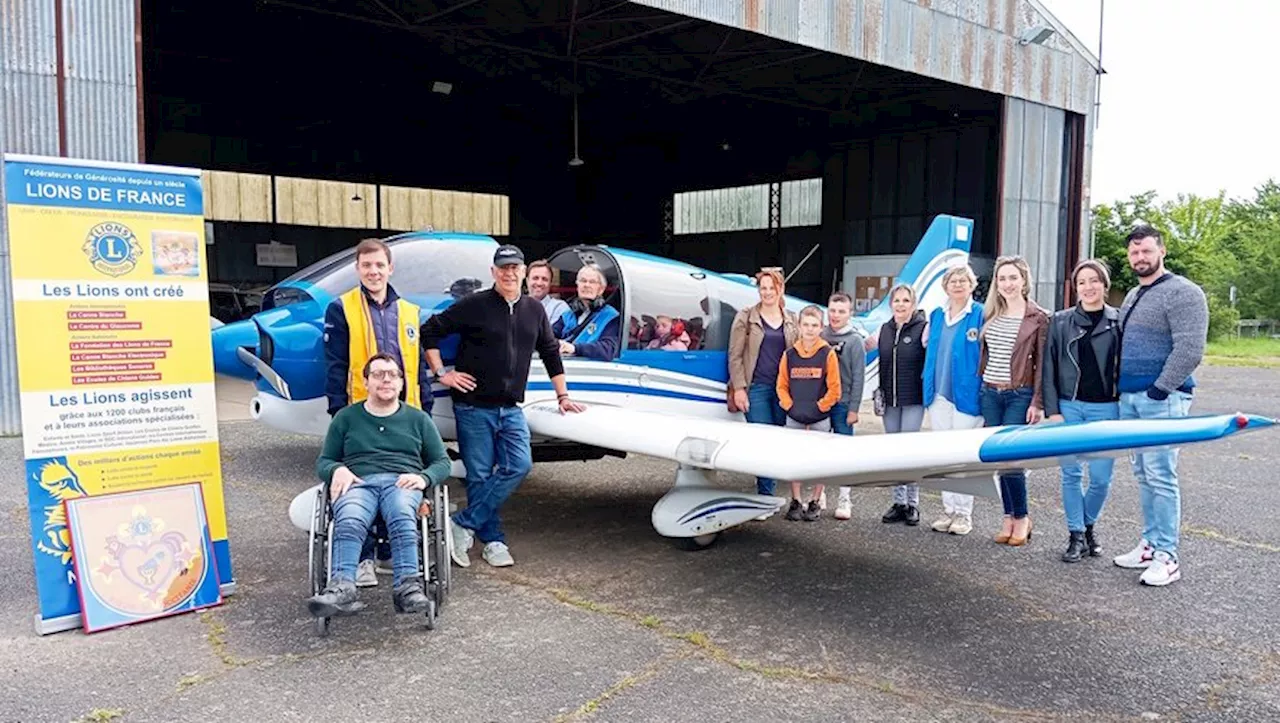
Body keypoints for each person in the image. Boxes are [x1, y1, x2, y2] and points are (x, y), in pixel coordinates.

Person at [422, 244, 585, 569]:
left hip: (511, 407)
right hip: (472, 407)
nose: (510, 273)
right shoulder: (474, 305)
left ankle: (462, 524)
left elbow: (551, 352)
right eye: (503, 268)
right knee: (480, 475)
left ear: (523, 272)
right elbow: (429, 332)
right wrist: (443, 374)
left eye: (515, 267)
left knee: (520, 465)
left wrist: (563, 397)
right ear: (494, 272)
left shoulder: (534, 311)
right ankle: (494, 541)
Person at [306, 353, 453, 619]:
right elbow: (325, 461)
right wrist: (337, 469)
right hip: (358, 482)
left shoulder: (418, 419)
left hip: (402, 481)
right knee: (348, 519)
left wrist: (424, 478)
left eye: (392, 375)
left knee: (401, 516)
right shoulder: (346, 417)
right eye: (377, 375)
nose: (386, 380)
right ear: (366, 382)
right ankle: (341, 588)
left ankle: (408, 588)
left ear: (401, 383)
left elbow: (442, 461)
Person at [322, 237, 432, 588]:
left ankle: (390, 551)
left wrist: (424, 409)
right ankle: (364, 558)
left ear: (390, 268)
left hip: (405, 412)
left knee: (398, 482)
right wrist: (340, 414)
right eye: (366, 265)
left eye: (379, 265)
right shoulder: (341, 309)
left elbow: (417, 366)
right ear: (358, 269)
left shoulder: (411, 312)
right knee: (360, 482)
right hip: (360, 413)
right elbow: (336, 365)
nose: (373, 271)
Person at [1111, 225, 1208, 587]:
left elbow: (1190, 349)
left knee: (1162, 476)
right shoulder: (1136, 293)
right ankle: (1151, 545)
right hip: (1131, 399)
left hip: (1162, 400)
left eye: (1146, 251)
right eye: (1134, 253)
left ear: (1161, 251)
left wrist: (1160, 389)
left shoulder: (1183, 293)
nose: (1140, 258)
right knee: (1143, 475)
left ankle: (1168, 557)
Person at [1042, 259, 1122, 563]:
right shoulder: (1060, 322)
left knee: (1101, 479)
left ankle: (1088, 526)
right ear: (1075, 288)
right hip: (1069, 407)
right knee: (1071, 474)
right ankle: (1076, 535)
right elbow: (1048, 367)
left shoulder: (1118, 321)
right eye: (1082, 282)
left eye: (1094, 281)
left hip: (1107, 408)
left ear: (1104, 284)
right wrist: (1053, 410)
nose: (1088, 288)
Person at [978, 256, 1050, 547]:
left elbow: (1044, 364)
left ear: (1024, 280)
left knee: (1012, 459)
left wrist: (1038, 402)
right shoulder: (990, 314)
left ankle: (1022, 518)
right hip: (989, 394)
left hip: (1019, 394)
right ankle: (1007, 517)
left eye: (1012, 278)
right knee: (998, 459)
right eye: (1002, 278)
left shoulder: (1038, 317)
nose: (1007, 284)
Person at [922, 264, 985, 536]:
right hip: (938, 393)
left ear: (972, 285)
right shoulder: (937, 315)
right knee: (942, 456)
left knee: (963, 456)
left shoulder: (980, 314)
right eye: (953, 281)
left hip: (966, 393)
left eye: (963, 280)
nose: (958, 285)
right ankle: (948, 510)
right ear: (945, 286)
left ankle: (964, 514)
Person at [727, 268, 799, 496]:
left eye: (772, 288)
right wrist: (739, 388)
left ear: (780, 290)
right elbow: (735, 355)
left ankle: (770, 490)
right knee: (762, 442)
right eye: (763, 288)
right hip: (756, 388)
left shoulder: (792, 320)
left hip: (783, 390)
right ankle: (765, 496)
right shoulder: (746, 316)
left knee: (778, 441)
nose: (767, 293)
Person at [870, 283, 928, 526]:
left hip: (913, 399)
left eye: (906, 301)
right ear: (891, 304)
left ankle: (913, 503)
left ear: (913, 304)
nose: (901, 305)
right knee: (893, 454)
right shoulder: (884, 329)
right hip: (890, 400)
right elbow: (862, 345)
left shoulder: (923, 329)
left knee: (910, 453)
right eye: (897, 301)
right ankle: (898, 502)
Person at [777, 306, 842, 522]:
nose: (810, 329)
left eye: (815, 325)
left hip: (819, 416)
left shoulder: (827, 354)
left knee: (820, 460)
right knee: (794, 458)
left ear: (821, 327)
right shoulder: (789, 355)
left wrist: (821, 407)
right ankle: (796, 500)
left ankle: (815, 501)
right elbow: (781, 385)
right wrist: (789, 406)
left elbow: (835, 388)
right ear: (799, 327)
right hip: (795, 415)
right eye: (806, 325)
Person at [821, 292, 865, 521]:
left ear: (849, 314)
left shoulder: (855, 341)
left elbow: (859, 376)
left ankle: (844, 497)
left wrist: (854, 408)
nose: (836, 315)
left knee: (844, 453)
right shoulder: (820, 335)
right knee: (819, 451)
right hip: (821, 402)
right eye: (832, 310)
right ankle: (819, 495)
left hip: (844, 402)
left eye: (841, 311)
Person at [554, 264, 622, 361]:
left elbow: (608, 349)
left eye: (592, 282)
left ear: (601, 289)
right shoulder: (568, 315)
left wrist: (575, 348)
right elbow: (549, 335)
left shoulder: (610, 316)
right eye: (583, 281)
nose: (587, 285)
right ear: (577, 286)